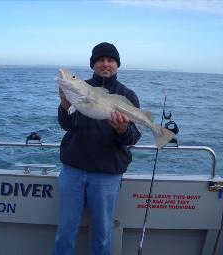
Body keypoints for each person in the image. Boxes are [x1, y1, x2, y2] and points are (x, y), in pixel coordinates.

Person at [53, 42, 141, 255]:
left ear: (117, 64)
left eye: (110, 60)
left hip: (107, 174)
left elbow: (133, 137)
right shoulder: (81, 89)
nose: (105, 64)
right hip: (73, 169)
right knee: (65, 231)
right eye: (100, 60)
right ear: (93, 64)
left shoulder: (127, 95)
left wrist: (122, 129)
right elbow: (68, 125)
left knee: (102, 234)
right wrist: (65, 105)